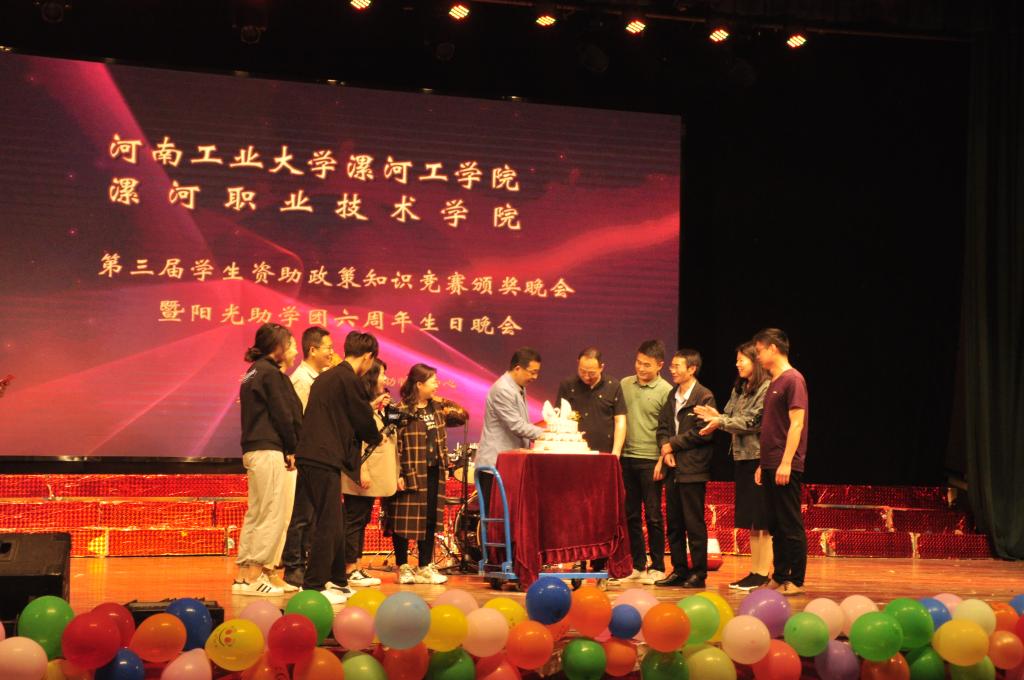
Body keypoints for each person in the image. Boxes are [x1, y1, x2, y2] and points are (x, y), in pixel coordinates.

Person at [291, 331, 382, 604]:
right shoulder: (348, 379)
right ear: (368, 357)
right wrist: (375, 435)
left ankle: (338, 581)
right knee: (329, 522)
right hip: (322, 457)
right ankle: (313, 585)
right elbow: (362, 418)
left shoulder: (327, 377)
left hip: (312, 455)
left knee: (336, 519)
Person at [695, 341, 773, 590]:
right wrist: (715, 418)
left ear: (756, 361)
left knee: (762, 519)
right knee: (751, 519)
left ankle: (764, 572)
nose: (737, 364)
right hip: (742, 457)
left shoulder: (766, 387)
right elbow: (729, 415)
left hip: (758, 456)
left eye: (742, 360)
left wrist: (720, 421)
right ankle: (755, 571)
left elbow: (753, 421)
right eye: (737, 360)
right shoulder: (740, 387)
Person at [233, 323, 303, 597]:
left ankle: (247, 576)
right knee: (271, 514)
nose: (295, 350)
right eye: (292, 345)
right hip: (269, 449)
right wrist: (292, 447)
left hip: (255, 449)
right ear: (278, 347)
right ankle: (255, 576)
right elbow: (283, 415)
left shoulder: (253, 372)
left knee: (259, 512)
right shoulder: (271, 374)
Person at [388, 363, 468, 585]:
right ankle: (403, 566)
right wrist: (397, 472)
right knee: (403, 518)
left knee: (430, 518)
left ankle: (424, 565)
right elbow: (391, 442)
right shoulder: (399, 409)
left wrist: (441, 400)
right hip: (410, 471)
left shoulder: (438, 408)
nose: (437, 385)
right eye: (433, 381)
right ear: (419, 384)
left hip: (434, 471)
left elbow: (463, 415)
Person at [557, 346, 627, 575]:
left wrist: (615, 454)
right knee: (575, 510)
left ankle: (600, 561)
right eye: (583, 371)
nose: (586, 376)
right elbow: (559, 420)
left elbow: (620, 421)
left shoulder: (613, 386)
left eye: (592, 372)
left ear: (602, 367)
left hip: (604, 460)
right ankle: (576, 557)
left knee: (601, 511)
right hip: (575, 459)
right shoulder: (568, 386)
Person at [753, 328, 809, 596]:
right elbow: (772, 426)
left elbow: (797, 424)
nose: (758, 356)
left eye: (760, 350)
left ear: (773, 348)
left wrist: (786, 462)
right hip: (770, 462)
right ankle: (780, 574)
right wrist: (762, 463)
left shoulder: (793, 379)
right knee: (775, 523)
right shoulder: (774, 381)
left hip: (785, 463)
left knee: (789, 523)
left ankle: (795, 579)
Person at [654, 349, 716, 589]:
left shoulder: (704, 396)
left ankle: (698, 574)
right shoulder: (672, 394)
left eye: (677, 366)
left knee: (694, 523)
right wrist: (666, 449)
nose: (672, 370)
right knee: (675, 523)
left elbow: (703, 432)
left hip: (693, 469)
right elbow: (662, 427)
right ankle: (679, 570)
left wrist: (672, 444)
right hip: (673, 468)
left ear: (691, 369)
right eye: (671, 365)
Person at [279, 327, 335, 589]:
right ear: (312, 350)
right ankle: (293, 566)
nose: (332, 353)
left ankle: (305, 565)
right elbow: (298, 421)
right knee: (301, 514)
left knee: (311, 515)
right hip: (304, 455)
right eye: (328, 348)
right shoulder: (302, 380)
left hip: (315, 455)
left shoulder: (319, 378)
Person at [614, 340, 673, 586]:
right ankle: (638, 564)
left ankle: (657, 566)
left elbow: (668, 429)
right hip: (627, 459)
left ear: (660, 365)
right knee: (630, 515)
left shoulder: (666, 390)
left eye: (647, 365)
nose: (640, 368)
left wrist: (661, 461)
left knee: (653, 515)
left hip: (651, 461)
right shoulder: (624, 384)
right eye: (638, 362)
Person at [340, 358, 396, 588]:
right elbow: (356, 441)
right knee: (354, 519)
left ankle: (356, 565)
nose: (385, 379)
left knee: (362, 518)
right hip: (359, 472)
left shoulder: (371, 406)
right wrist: (361, 470)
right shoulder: (358, 405)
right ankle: (348, 568)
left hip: (372, 474)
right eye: (382, 374)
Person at [476, 347, 545, 510]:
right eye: (532, 372)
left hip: (509, 464)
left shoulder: (517, 387)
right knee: (496, 517)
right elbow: (517, 426)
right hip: (495, 465)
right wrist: (551, 435)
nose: (535, 377)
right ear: (518, 368)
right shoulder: (503, 389)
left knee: (509, 516)